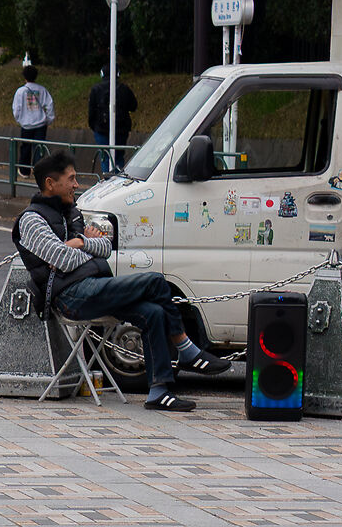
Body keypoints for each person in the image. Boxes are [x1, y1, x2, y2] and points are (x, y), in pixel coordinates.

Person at [15, 146, 227, 412]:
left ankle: (159, 391)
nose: (77, 185)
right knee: (155, 282)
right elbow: (62, 260)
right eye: (71, 179)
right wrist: (85, 244)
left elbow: (106, 248)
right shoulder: (32, 221)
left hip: (95, 288)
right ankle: (186, 350)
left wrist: (78, 243)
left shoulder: (72, 213)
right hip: (69, 297)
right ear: (50, 183)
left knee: (153, 312)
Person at [12, 56, 54, 175]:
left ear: (24, 77)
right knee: (39, 148)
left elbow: (16, 108)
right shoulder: (42, 89)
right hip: (40, 123)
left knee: (25, 148)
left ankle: (24, 171)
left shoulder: (20, 91)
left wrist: (19, 120)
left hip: (26, 124)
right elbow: (49, 105)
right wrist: (49, 120)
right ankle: (38, 171)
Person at [87, 74, 137, 170]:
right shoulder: (124, 89)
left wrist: (94, 127)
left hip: (101, 130)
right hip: (121, 130)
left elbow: (91, 112)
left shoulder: (96, 89)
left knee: (105, 157)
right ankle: (118, 180)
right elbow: (133, 106)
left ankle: (107, 180)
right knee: (118, 157)